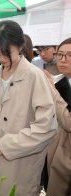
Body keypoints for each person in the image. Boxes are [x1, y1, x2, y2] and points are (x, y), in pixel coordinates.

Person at [0, 20, 57, 195]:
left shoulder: (35, 77)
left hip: (18, 157)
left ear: (20, 46)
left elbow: (47, 127)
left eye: (6, 53)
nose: (0, 59)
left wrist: (8, 145)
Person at [43, 37, 71, 196]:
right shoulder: (57, 80)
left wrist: (52, 91)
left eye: (69, 55)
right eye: (60, 54)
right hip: (52, 150)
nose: (63, 59)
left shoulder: (54, 85)